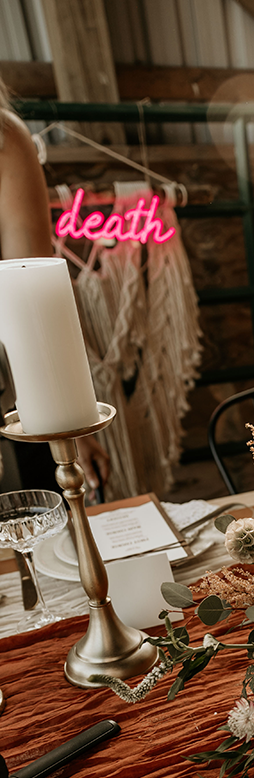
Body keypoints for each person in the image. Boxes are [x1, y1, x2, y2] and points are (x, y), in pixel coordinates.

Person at [0, 77, 110, 496]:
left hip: (9, 385)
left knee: (34, 529)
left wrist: (71, 421)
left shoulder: (5, 140)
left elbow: (29, 290)